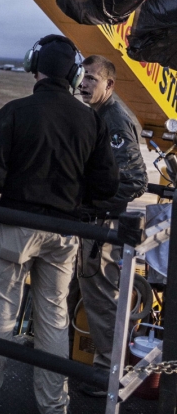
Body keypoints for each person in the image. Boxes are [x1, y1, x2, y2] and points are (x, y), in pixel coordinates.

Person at [0, 35, 119, 414]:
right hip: (63, 233)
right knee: (54, 318)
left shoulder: (14, 112)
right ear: (74, 75)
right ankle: (54, 410)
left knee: (0, 314)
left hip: (15, 228)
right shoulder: (92, 121)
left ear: (34, 67)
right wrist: (78, 205)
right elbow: (107, 185)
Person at [78, 55, 147, 395]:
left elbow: (135, 180)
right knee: (92, 294)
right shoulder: (98, 114)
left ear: (109, 84)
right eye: (83, 76)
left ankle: (107, 374)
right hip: (93, 222)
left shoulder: (114, 119)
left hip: (102, 226)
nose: (84, 84)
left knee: (103, 299)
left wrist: (94, 205)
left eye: (92, 78)